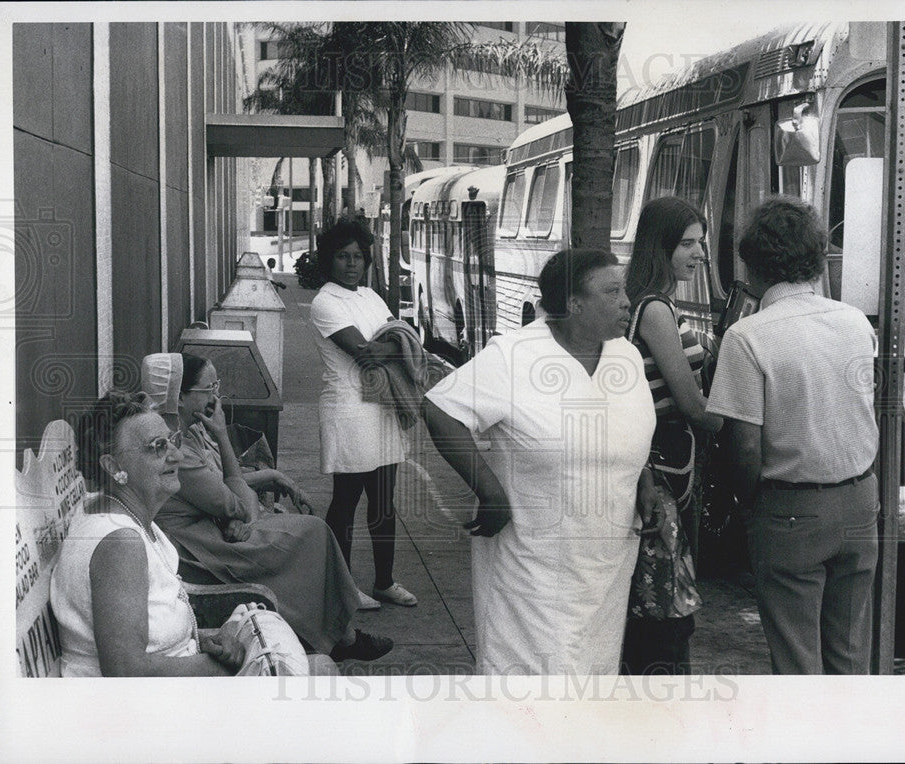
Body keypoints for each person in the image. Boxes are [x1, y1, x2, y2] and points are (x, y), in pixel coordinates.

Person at [422, 249, 656, 674]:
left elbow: (621, 431)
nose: (627, 302)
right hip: (533, 564)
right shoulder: (515, 355)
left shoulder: (624, 355)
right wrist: (488, 491)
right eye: (612, 291)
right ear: (573, 303)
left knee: (592, 676)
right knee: (534, 684)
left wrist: (642, 475)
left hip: (606, 560)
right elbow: (441, 409)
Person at [706, 197, 879, 674]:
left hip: (789, 510)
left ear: (753, 264)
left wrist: (749, 505)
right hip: (862, 500)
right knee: (849, 654)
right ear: (818, 258)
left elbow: (744, 444)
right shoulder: (854, 321)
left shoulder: (748, 336)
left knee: (798, 659)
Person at [142, 352, 393, 663]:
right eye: (209, 389)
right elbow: (239, 505)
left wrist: (271, 478)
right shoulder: (179, 450)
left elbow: (227, 484)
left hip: (211, 527)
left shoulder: (189, 430)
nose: (217, 396)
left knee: (309, 532)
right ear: (179, 397)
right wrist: (222, 435)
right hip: (200, 549)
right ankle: (340, 637)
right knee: (311, 534)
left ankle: (339, 634)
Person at [50, 391, 244, 676]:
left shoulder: (126, 517)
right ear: (114, 467)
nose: (176, 455)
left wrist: (204, 642)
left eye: (173, 441)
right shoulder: (119, 543)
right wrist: (216, 669)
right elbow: (125, 670)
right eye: (158, 446)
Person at [619, 197, 724, 675]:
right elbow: (690, 402)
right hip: (664, 471)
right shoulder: (655, 308)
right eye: (687, 243)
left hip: (665, 467)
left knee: (661, 592)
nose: (699, 253)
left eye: (700, 242)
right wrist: (739, 422)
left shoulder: (656, 302)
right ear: (659, 247)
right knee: (665, 598)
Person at [309, 220, 417, 607]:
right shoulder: (326, 302)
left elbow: (399, 334)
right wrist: (400, 348)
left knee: (384, 501)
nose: (351, 263)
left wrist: (397, 344)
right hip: (349, 408)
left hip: (382, 407)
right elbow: (367, 351)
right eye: (342, 256)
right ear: (329, 260)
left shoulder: (371, 296)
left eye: (357, 256)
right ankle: (343, 586)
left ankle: (384, 582)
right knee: (346, 501)